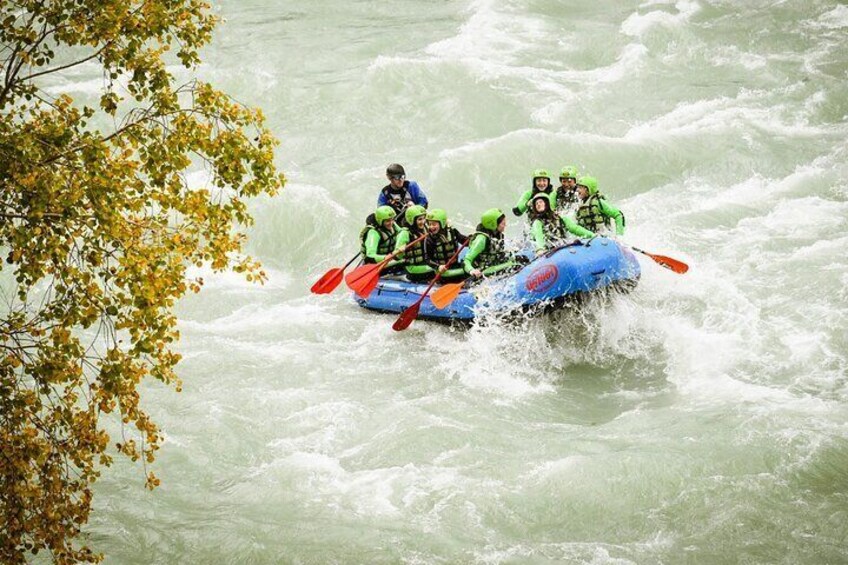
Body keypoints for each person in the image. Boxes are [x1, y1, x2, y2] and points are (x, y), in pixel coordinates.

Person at [463, 208, 523, 278]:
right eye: (503, 223)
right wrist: (472, 271)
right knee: (516, 265)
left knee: (521, 258)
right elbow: (466, 260)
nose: (505, 225)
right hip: (483, 270)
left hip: (493, 264)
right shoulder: (481, 239)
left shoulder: (497, 234)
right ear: (493, 224)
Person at [528, 193, 594, 255]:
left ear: (547, 203)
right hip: (549, 252)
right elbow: (538, 236)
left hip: (563, 248)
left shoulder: (560, 218)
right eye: (536, 204)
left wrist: (592, 235)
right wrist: (540, 249)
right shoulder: (537, 222)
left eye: (540, 202)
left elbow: (575, 228)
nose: (538, 205)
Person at [423, 208, 468, 283]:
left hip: (455, 265)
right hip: (443, 271)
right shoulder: (429, 239)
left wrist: (472, 238)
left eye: (434, 224)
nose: (431, 227)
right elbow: (427, 259)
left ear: (442, 223)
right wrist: (438, 267)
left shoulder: (452, 231)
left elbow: (464, 241)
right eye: (429, 224)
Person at [393, 205, 434, 282]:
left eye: (424, 218)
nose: (423, 221)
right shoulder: (405, 233)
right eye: (420, 219)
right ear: (412, 220)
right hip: (413, 268)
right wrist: (400, 251)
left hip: (425, 262)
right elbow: (397, 257)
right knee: (437, 269)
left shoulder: (425, 228)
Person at [359, 205, 403, 272]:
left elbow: (402, 233)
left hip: (390, 257)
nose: (391, 223)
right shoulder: (373, 233)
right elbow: (370, 256)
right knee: (405, 261)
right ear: (380, 221)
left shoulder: (392, 224)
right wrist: (385, 257)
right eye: (388, 221)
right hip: (376, 263)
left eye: (392, 219)